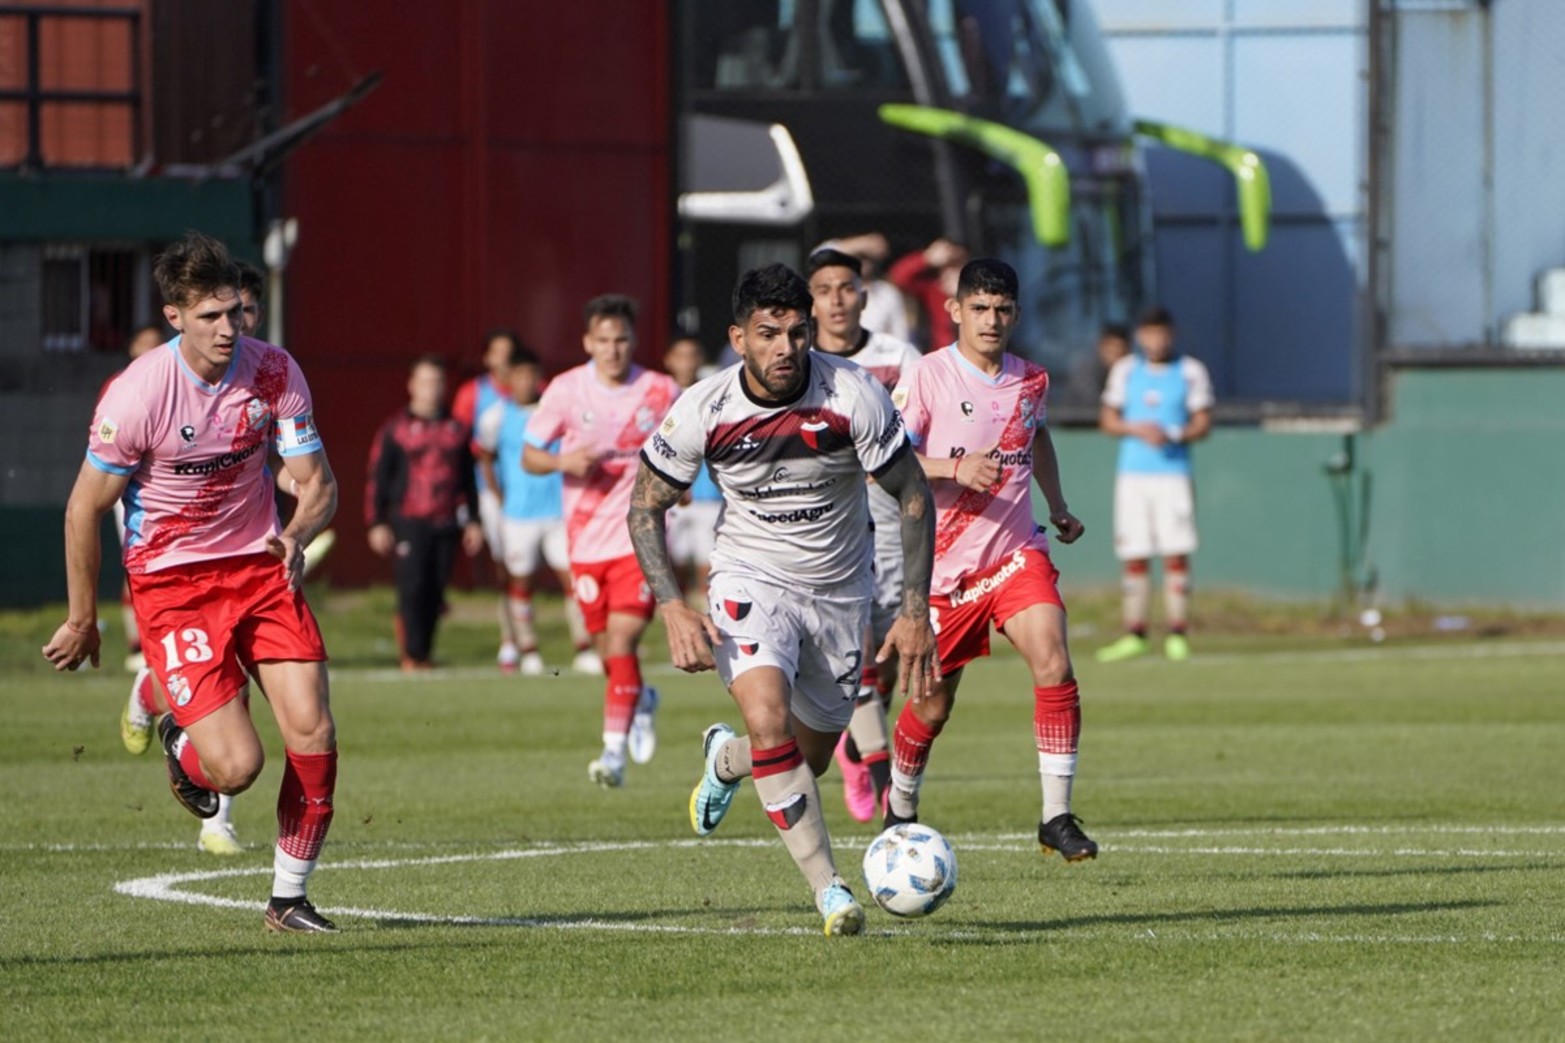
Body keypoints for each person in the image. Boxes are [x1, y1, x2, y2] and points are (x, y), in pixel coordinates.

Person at [627, 263, 938, 936]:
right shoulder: (702, 409)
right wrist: (671, 604)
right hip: (748, 578)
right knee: (770, 722)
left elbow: (912, 494)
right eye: (767, 333)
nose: (784, 348)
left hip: (840, 592)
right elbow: (644, 504)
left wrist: (915, 612)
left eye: (796, 333)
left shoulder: (852, 394)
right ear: (738, 337)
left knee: (807, 755)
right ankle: (830, 889)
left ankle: (725, 758)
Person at [44, 231, 342, 932]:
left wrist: (296, 535)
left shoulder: (272, 373)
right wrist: (83, 618)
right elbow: (83, 507)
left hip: (262, 565)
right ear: (175, 315)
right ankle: (180, 735)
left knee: (315, 728)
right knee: (236, 766)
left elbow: (317, 484)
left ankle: (288, 897)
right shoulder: (141, 391)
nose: (226, 329)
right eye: (209, 316)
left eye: (235, 312)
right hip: (174, 583)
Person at [888, 257, 1099, 863]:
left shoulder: (1031, 380)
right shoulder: (927, 376)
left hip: (1015, 555)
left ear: (1016, 314)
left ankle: (1055, 816)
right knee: (932, 706)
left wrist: (1057, 505)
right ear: (954, 310)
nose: (991, 319)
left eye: (1002, 309)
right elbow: (888, 459)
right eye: (979, 308)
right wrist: (952, 468)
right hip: (945, 571)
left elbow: (1038, 435)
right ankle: (900, 806)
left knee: (1054, 662)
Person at [523, 295, 679, 788]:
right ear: (588, 342)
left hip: (641, 536)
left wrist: (681, 485)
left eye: (622, 340)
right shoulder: (567, 391)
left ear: (633, 341)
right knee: (610, 650)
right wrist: (562, 463)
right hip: (586, 541)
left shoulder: (660, 390)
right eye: (604, 341)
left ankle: (612, 755)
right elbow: (530, 455)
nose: (613, 350)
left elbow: (687, 447)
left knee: (623, 639)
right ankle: (641, 698)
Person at [805, 246, 924, 823]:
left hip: (891, 512)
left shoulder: (897, 357)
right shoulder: (797, 362)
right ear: (811, 299)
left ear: (864, 295)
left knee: (891, 649)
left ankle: (857, 744)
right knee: (858, 659)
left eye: (845, 287)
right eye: (823, 289)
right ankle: (879, 780)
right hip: (833, 524)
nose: (835, 299)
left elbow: (918, 431)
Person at [1096, 306, 1214, 663]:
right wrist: (1137, 429)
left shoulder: (1191, 371)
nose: (1156, 340)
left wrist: (1174, 433)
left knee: (1176, 550)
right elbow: (1108, 420)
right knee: (1135, 552)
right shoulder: (1126, 370)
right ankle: (1136, 632)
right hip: (1133, 475)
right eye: (1149, 333)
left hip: (1173, 474)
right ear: (1140, 336)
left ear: (1172, 334)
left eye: (1162, 333)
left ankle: (1178, 631)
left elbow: (1203, 422)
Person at [474, 341, 594, 676]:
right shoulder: (495, 416)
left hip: (558, 514)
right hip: (517, 516)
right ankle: (528, 649)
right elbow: (484, 457)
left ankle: (584, 648)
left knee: (572, 581)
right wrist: (498, 496)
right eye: (520, 374)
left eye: (532, 374)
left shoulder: (553, 412)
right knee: (520, 583)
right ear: (508, 377)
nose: (526, 381)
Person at [365, 355, 485, 670]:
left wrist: (474, 520)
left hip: (446, 522)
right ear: (412, 385)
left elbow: (469, 479)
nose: (431, 389)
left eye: (437, 382)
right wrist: (376, 521)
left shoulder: (457, 429)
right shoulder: (396, 429)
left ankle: (424, 654)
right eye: (425, 381)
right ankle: (411, 654)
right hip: (408, 521)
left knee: (436, 591)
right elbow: (378, 476)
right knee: (413, 587)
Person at [661, 335, 722, 608]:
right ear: (669, 360)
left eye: (692, 355)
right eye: (680, 355)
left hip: (708, 495)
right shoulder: (658, 397)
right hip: (671, 498)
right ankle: (683, 621)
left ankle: (708, 621)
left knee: (706, 563)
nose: (687, 362)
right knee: (675, 562)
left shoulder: (714, 395)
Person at [815, 232, 911, 341]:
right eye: (857, 257)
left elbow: (901, 336)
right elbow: (818, 256)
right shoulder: (832, 292)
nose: (862, 263)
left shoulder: (887, 293)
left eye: (867, 258)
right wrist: (862, 243)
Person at [888, 237, 968, 350]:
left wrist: (962, 293)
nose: (952, 270)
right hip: (940, 355)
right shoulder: (932, 288)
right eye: (947, 264)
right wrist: (927, 258)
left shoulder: (977, 288)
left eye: (957, 264)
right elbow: (898, 277)